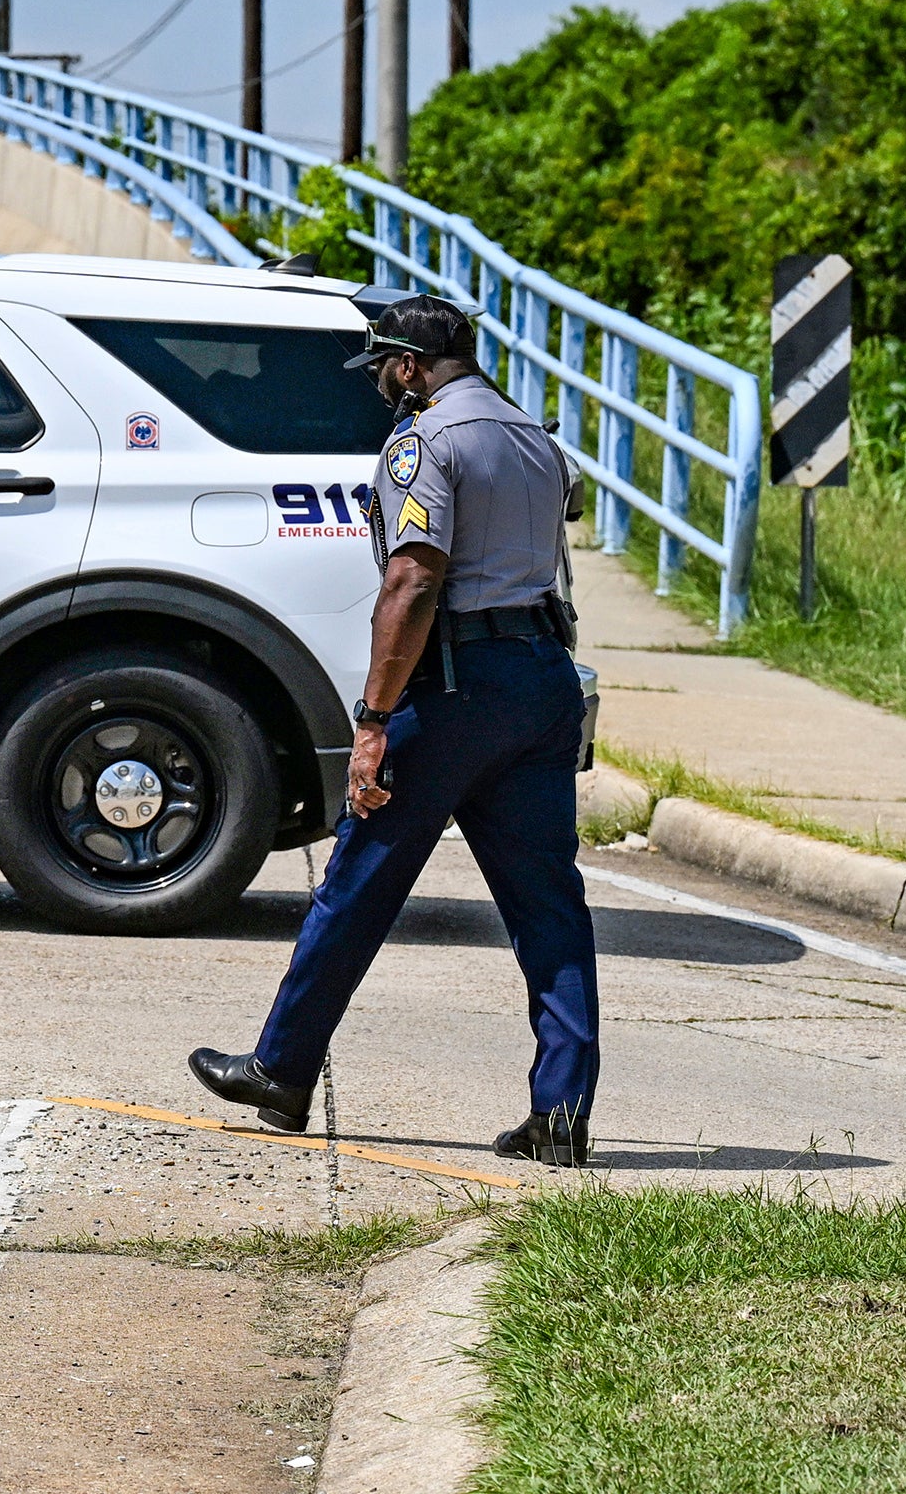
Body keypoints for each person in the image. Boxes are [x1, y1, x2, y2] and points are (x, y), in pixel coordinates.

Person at [189, 292, 601, 1165]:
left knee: (359, 881)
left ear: (410, 365)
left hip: (453, 687)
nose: (380, 380)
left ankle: (283, 1071)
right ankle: (561, 1113)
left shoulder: (424, 443)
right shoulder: (535, 437)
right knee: (547, 902)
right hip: (541, 677)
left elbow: (413, 582)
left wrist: (373, 720)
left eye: (383, 365)